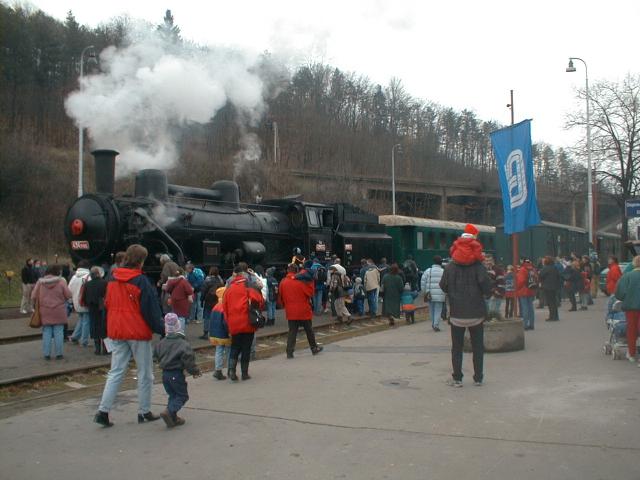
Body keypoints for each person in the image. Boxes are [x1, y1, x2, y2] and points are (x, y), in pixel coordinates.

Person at [94, 244, 165, 428]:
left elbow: (106, 305)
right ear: (141, 260)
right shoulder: (141, 281)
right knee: (145, 373)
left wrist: (105, 329)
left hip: (117, 330)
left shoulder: (112, 279)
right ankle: (144, 411)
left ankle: (103, 411)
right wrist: (162, 329)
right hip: (136, 331)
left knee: (116, 371)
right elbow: (150, 310)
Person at [440, 227, 492, 387]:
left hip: (457, 314)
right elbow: (486, 287)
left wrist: (453, 292)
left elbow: (443, 285)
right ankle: (478, 378)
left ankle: (457, 378)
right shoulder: (479, 267)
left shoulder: (449, 267)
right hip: (476, 314)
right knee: (478, 347)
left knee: (457, 348)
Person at [154, 313, 201, 428]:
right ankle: (169, 411)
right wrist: (195, 371)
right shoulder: (183, 344)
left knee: (173, 395)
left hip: (165, 374)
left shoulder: (161, 343)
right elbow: (189, 361)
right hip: (176, 373)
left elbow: (155, 356)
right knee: (182, 395)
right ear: (178, 327)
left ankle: (173, 417)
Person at [223, 265, 264, 381]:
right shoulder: (248, 287)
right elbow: (259, 301)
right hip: (247, 322)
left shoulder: (229, 290)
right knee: (246, 347)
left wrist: (228, 322)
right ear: (243, 275)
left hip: (234, 323)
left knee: (235, 347)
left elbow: (225, 308)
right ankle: (244, 373)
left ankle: (231, 370)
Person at [279, 263, 323, 358]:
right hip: (303, 310)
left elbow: (280, 298)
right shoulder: (301, 281)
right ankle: (314, 348)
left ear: (288, 271)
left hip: (291, 311)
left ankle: (289, 352)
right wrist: (311, 281)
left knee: (292, 332)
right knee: (309, 330)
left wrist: (286, 306)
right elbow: (310, 293)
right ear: (297, 271)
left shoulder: (283, 282)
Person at [31, 264, 72, 360]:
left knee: (46, 332)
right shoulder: (61, 282)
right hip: (59, 310)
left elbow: (33, 296)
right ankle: (59, 354)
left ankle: (46, 354)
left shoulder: (40, 283)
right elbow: (68, 295)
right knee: (59, 332)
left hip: (44, 310)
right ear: (57, 272)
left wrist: (35, 305)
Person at [614, 255, 640, 363]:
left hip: (631, 307)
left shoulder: (627, 276)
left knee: (631, 329)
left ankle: (632, 353)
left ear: (634, 263)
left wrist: (626, 298)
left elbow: (619, 293)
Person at [83, 266, 108, 355]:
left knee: (94, 326)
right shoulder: (105, 283)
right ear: (98, 274)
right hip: (103, 306)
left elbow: (84, 297)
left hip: (92, 307)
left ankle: (97, 349)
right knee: (104, 327)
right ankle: (105, 348)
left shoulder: (87, 284)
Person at [68, 260, 92, 346]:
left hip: (76, 302)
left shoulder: (74, 277)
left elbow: (69, 289)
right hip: (85, 302)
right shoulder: (88, 276)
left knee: (81, 319)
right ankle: (84, 341)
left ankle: (75, 337)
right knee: (86, 321)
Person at [209, 287, 231, 380]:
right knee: (229, 351)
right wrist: (229, 331)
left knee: (219, 351)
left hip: (216, 333)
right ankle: (230, 369)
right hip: (224, 333)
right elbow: (226, 322)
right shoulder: (226, 306)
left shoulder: (215, 307)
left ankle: (218, 370)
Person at [421, 256, 446, 331]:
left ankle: (433, 323)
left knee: (431, 309)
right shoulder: (443, 271)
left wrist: (424, 291)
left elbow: (423, 282)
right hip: (440, 294)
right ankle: (436, 325)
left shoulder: (428, 271)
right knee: (438, 309)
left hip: (430, 294)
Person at [201, 266, 224, 338]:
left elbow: (203, 291)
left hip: (208, 300)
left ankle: (206, 333)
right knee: (216, 317)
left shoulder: (207, 280)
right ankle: (215, 333)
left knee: (207, 317)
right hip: (217, 301)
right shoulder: (220, 280)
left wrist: (202, 300)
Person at [516, 259, 537, 330]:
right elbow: (536, 278)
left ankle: (525, 325)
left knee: (524, 308)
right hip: (531, 290)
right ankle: (531, 324)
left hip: (523, 290)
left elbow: (521, 281)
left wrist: (517, 288)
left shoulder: (522, 270)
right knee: (530, 307)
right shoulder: (532, 269)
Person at [539, 256, 561, 321]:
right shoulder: (554, 268)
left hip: (547, 287)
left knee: (550, 302)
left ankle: (552, 316)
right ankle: (556, 316)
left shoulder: (545, 268)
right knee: (554, 302)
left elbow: (541, 276)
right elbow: (558, 276)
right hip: (554, 286)